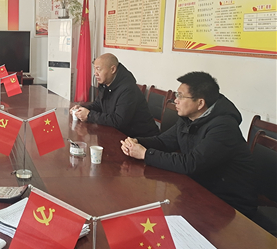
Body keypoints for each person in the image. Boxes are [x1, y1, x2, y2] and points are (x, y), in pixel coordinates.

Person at [120, 72, 257, 217]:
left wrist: (145, 154)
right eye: (176, 95)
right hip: (200, 189)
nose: (175, 101)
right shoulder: (189, 119)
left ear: (200, 103)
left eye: (180, 96)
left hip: (229, 204)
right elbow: (163, 142)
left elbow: (191, 164)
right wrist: (136, 142)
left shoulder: (224, 127)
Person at [70, 53, 159, 137]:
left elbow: (119, 121)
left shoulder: (127, 89)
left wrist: (89, 115)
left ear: (113, 69)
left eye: (99, 69)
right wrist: (82, 109)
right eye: (95, 69)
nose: (95, 73)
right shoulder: (105, 84)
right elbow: (98, 104)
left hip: (140, 138)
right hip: (117, 134)